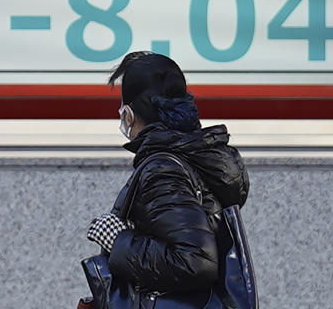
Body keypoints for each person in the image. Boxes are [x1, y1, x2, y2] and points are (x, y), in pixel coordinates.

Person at [85, 51, 250, 297]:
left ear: (129, 114)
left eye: (121, 106)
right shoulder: (194, 157)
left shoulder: (163, 170)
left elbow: (193, 261)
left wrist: (118, 239)